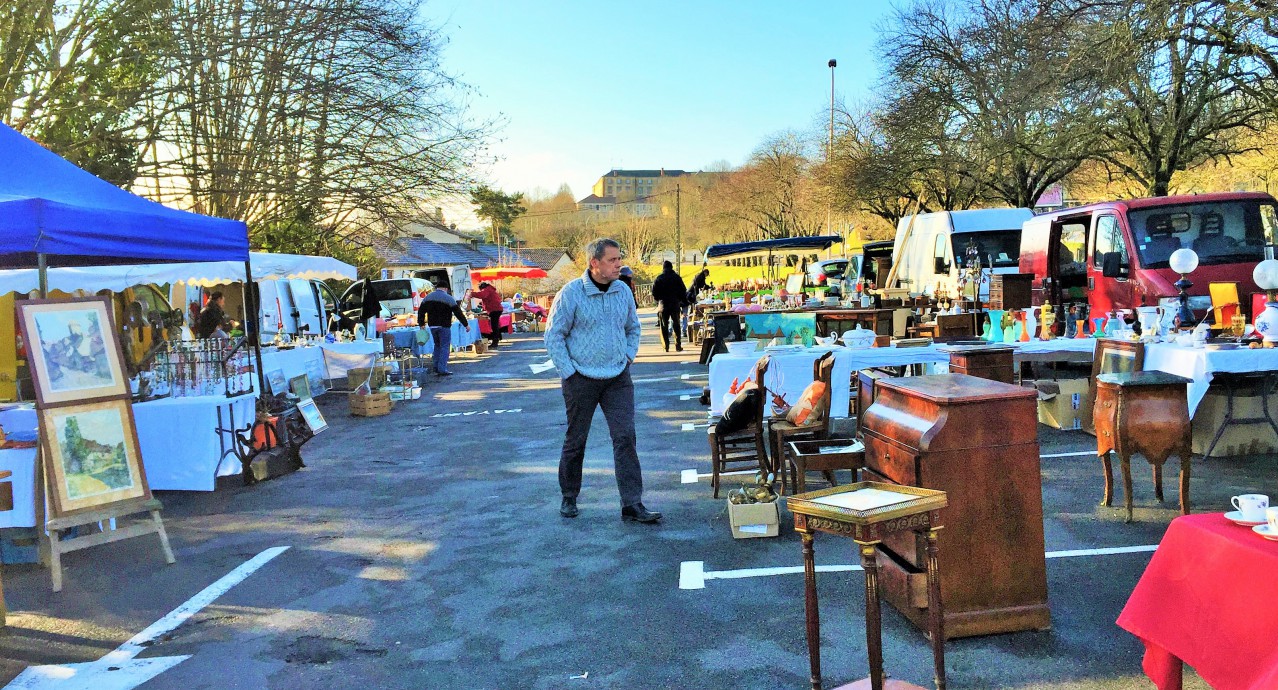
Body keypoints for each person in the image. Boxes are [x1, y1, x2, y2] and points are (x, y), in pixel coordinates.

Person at [545, 238, 660, 524]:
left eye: (619, 258)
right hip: (580, 378)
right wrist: (568, 371)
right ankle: (569, 496)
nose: (618, 264)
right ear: (594, 263)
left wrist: (629, 356)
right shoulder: (571, 294)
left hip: (617, 377)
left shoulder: (622, 290)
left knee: (625, 438)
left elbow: (633, 327)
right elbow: (554, 335)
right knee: (576, 439)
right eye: (612, 260)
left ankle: (632, 504)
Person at [416, 287, 469, 376]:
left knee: (437, 345)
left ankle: (436, 366)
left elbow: (421, 311)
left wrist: (421, 323)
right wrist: (466, 324)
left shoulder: (428, 297)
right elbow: (458, 313)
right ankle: (442, 369)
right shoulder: (448, 298)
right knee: (445, 347)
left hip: (432, 326)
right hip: (444, 326)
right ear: (445, 288)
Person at [650, 260, 688, 352]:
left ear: (663, 268)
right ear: (671, 267)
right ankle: (678, 345)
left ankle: (666, 346)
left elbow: (654, 292)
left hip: (663, 304)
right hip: (674, 303)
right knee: (676, 324)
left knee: (664, 325)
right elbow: (683, 290)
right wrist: (682, 301)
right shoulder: (677, 278)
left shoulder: (659, 278)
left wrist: (658, 300)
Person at [475, 281, 504, 348]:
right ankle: (497, 338)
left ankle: (495, 342)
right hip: (496, 309)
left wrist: (471, 294)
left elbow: (482, 295)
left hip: (494, 310)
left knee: (494, 326)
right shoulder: (490, 289)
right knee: (495, 325)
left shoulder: (486, 290)